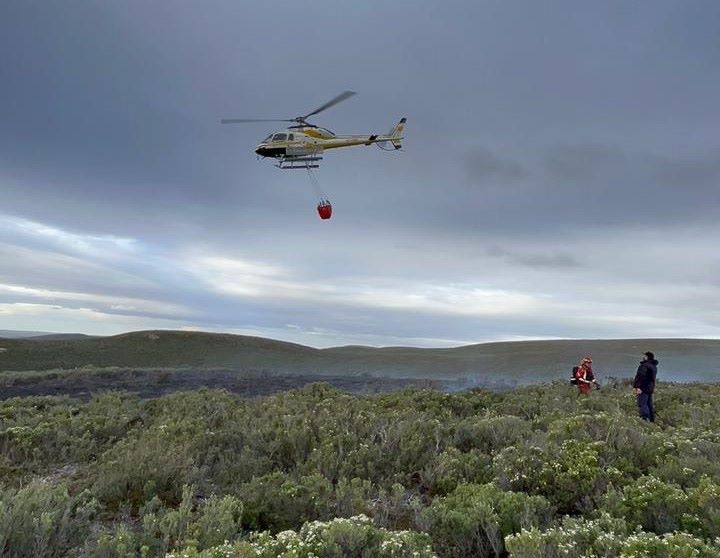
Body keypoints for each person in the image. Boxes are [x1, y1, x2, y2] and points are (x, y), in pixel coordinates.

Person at [633, 351, 658, 422]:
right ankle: (651, 420)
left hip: (643, 388)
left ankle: (645, 419)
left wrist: (638, 387)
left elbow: (640, 376)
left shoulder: (644, 366)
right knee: (649, 404)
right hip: (650, 387)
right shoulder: (653, 366)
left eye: (644, 356)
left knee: (642, 403)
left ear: (647, 357)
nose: (643, 357)